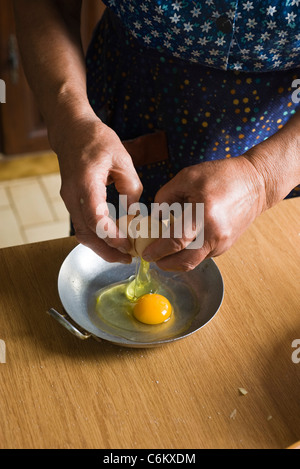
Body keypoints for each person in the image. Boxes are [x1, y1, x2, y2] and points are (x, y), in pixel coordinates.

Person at [13, 0, 300, 272]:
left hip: (281, 142)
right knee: (110, 239)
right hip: (124, 109)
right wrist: (71, 121)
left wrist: (262, 179)